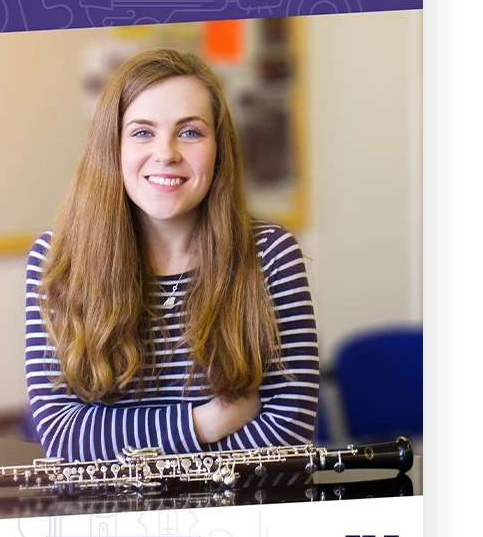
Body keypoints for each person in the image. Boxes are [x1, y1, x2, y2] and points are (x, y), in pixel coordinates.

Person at [24, 47, 319, 462]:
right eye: (143, 132)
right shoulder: (57, 259)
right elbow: (63, 433)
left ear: (219, 149)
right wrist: (205, 422)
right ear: (113, 146)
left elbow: (287, 432)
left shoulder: (269, 255)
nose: (167, 153)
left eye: (190, 132)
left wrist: (129, 450)